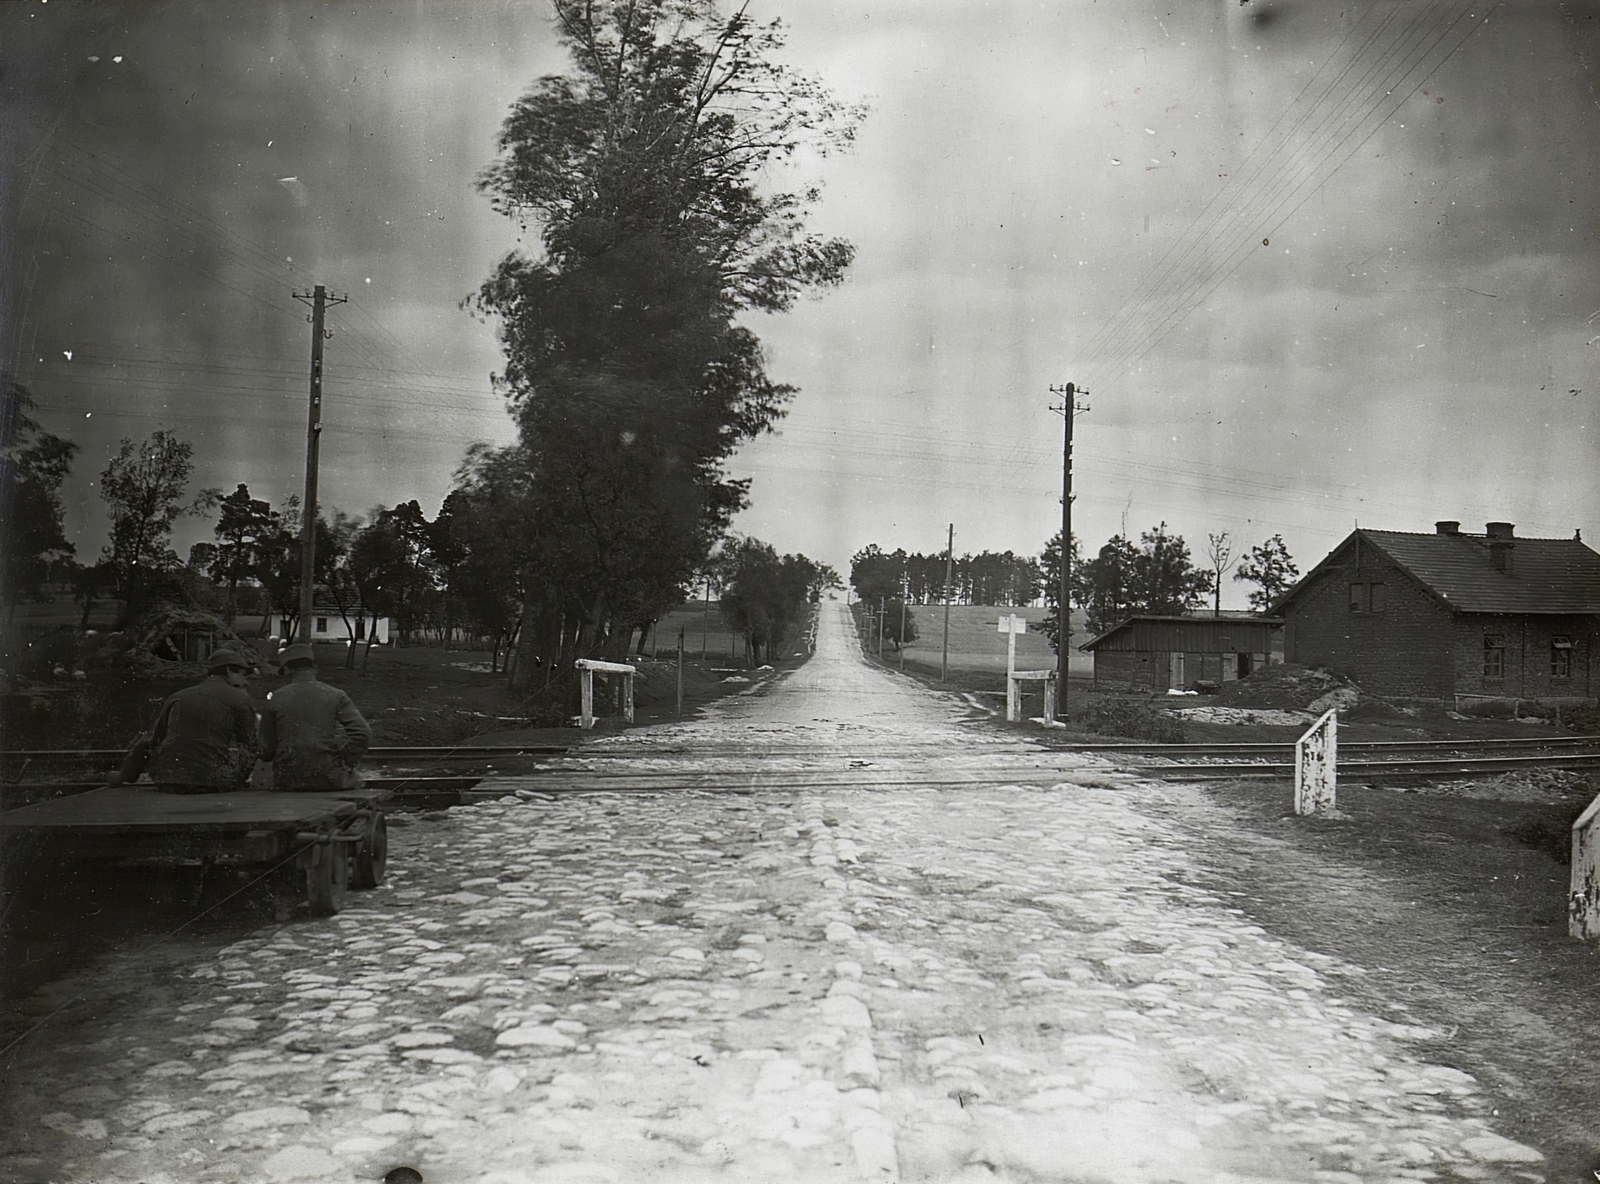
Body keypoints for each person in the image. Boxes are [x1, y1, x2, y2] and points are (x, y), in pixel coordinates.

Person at [112, 648, 260, 793]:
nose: (245, 682)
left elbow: (151, 740)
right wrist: (239, 779)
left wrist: (127, 775)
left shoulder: (178, 696)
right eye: (243, 675)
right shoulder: (240, 698)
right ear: (230, 670)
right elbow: (249, 746)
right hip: (213, 781)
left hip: (169, 780)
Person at [260, 643, 372, 790]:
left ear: (287, 669)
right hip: (328, 775)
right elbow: (362, 733)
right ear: (314, 668)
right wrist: (346, 759)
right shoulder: (336, 695)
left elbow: (266, 750)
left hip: (287, 778)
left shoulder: (275, 697)